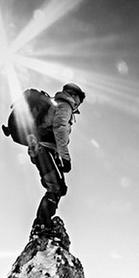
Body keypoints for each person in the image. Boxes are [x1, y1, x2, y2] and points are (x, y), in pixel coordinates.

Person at [25, 82, 86, 237]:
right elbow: (59, 129)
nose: (79, 105)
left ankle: (42, 224)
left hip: (42, 149)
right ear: (74, 96)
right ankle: (41, 226)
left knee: (59, 188)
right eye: (79, 100)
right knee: (55, 188)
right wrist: (65, 158)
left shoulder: (55, 103)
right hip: (44, 149)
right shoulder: (64, 106)